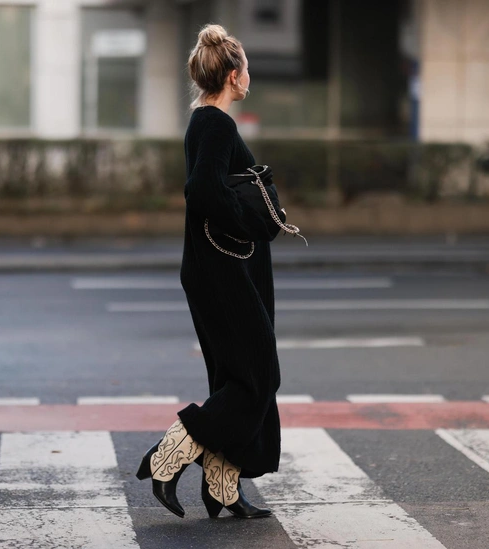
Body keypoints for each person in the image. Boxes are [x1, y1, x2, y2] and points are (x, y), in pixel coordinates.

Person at [136, 23, 281, 520]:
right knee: (259, 374)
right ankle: (171, 452)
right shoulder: (216, 124)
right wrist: (249, 222)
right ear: (234, 75)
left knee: (234, 376)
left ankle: (222, 485)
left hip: (215, 267)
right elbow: (202, 189)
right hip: (223, 271)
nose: (249, 77)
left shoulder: (204, 121)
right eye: (247, 69)